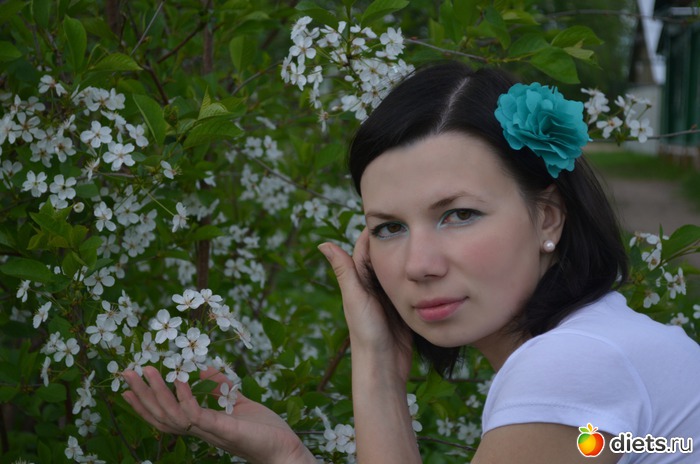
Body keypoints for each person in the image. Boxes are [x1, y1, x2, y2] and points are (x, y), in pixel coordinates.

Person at [122, 62, 700, 463]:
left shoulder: (571, 367)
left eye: (459, 214)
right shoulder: (603, 345)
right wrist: (300, 442)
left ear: (547, 218)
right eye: (389, 228)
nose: (419, 265)